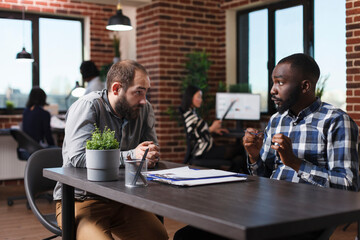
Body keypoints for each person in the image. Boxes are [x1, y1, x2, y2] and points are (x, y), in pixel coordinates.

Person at [174, 53, 359, 240]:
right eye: (273, 83)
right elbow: (263, 177)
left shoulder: (336, 121)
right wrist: (255, 157)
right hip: (265, 208)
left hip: (303, 216)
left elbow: (349, 188)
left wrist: (296, 163)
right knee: (187, 236)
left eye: (280, 83)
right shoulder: (276, 120)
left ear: (305, 86)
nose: (272, 90)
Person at [53, 60, 168, 240]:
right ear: (116, 89)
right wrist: (132, 156)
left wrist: (150, 154)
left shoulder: (144, 109)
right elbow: (78, 157)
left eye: (146, 92)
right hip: (81, 200)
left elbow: (150, 150)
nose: (144, 100)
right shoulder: (88, 106)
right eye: (138, 92)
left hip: (123, 199)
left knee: (157, 237)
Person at [180, 85, 246, 173]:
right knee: (240, 149)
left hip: (207, 149)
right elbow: (193, 135)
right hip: (203, 152)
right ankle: (247, 176)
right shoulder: (189, 115)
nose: (201, 100)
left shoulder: (193, 112)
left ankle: (233, 175)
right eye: (198, 97)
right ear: (190, 97)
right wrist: (211, 128)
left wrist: (213, 129)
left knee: (239, 159)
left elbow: (199, 130)